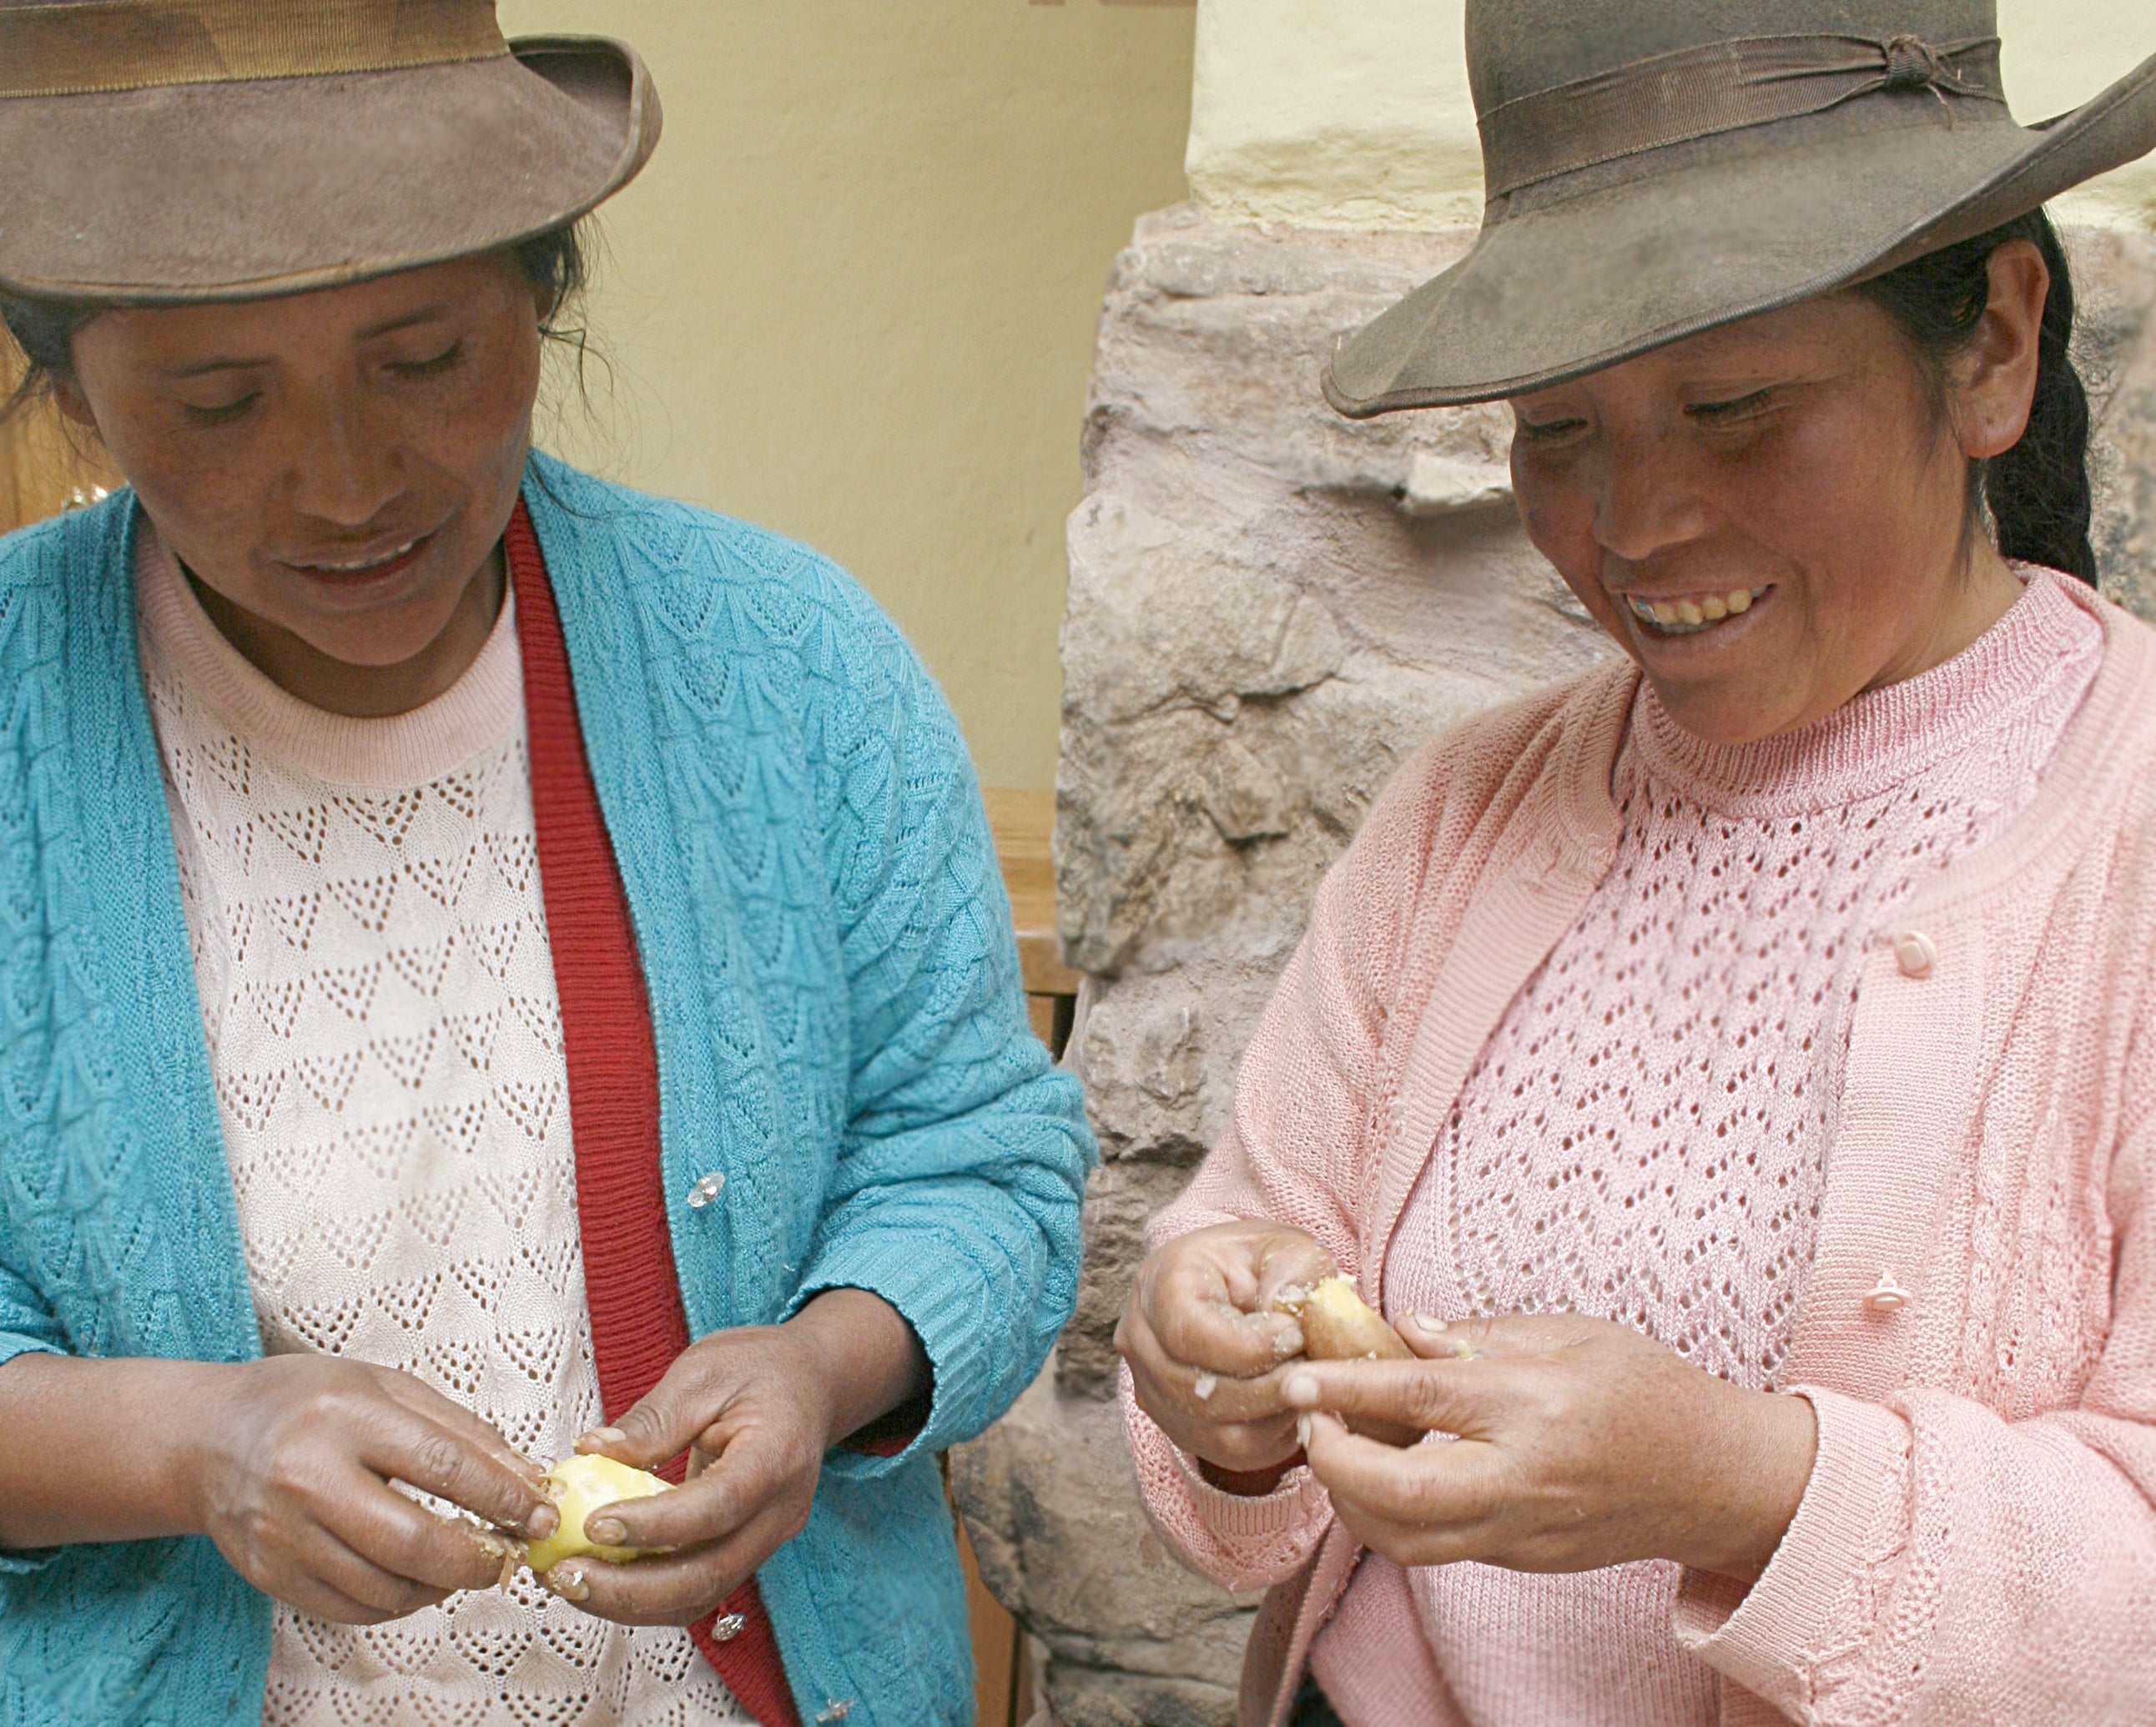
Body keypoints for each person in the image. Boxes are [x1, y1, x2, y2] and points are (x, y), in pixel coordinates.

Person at [0, 8, 1091, 1726]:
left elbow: (978, 1161)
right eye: (219, 399)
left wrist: (818, 1366)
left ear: (543, 284)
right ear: (69, 387)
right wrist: (187, 1444)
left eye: (423, 359)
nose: (347, 480)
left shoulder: (791, 667)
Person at [1118, 3, 2156, 1724]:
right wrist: (1215, 1373)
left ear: (1987, 348)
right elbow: (1256, 1270)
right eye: (1556, 430)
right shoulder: (1467, 807)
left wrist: (1744, 1483)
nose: (1631, 524)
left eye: (1733, 409)